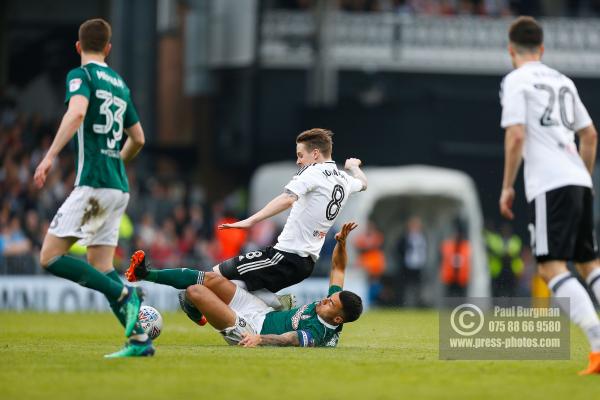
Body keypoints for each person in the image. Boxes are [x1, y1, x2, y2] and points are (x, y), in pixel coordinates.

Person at [33, 18, 152, 357]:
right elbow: (139, 138)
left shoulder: (80, 76)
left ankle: (124, 295)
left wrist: (49, 156)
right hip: (118, 185)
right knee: (101, 266)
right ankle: (139, 341)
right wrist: (117, 161)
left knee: (50, 256)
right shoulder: (119, 83)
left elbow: (77, 113)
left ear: (78, 47)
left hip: (94, 184)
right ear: (109, 48)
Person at [499, 16, 600, 374]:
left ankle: (598, 344)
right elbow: (589, 136)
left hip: (549, 184)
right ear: (541, 49)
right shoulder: (564, 81)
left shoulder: (516, 80)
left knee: (550, 266)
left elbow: (516, 136)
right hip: (579, 180)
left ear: (511, 50)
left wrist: (508, 186)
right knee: (589, 264)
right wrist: (583, 180)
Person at [126, 222, 363, 347]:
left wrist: (260, 339)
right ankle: (145, 273)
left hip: (250, 329)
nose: (325, 299)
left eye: (330, 302)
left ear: (338, 319)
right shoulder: (333, 308)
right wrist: (341, 244)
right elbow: (338, 269)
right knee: (211, 279)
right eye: (329, 297)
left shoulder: (318, 333)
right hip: (261, 311)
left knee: (194, 291)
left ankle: (194, 306)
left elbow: (289, 339)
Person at [206, 128, 367, 312]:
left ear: (315, 154)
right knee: (240, 285)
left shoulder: (313, 173)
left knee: (216, 273)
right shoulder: (343, 178)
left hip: (287, 255)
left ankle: (273, 303)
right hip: (306, 264)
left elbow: (288, 198)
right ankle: (277, 302)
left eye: (300, 155)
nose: (298, 161)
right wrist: (354, 167)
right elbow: (363, 183)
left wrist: (250, 220)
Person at [397, 216, 427, 307]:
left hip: (418, 265)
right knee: (406, 285)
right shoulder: (405, 237)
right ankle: (406, 304)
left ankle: (417, 304)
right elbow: (398, 249)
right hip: (407, 265)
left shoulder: (422, 237)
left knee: (418, 285)